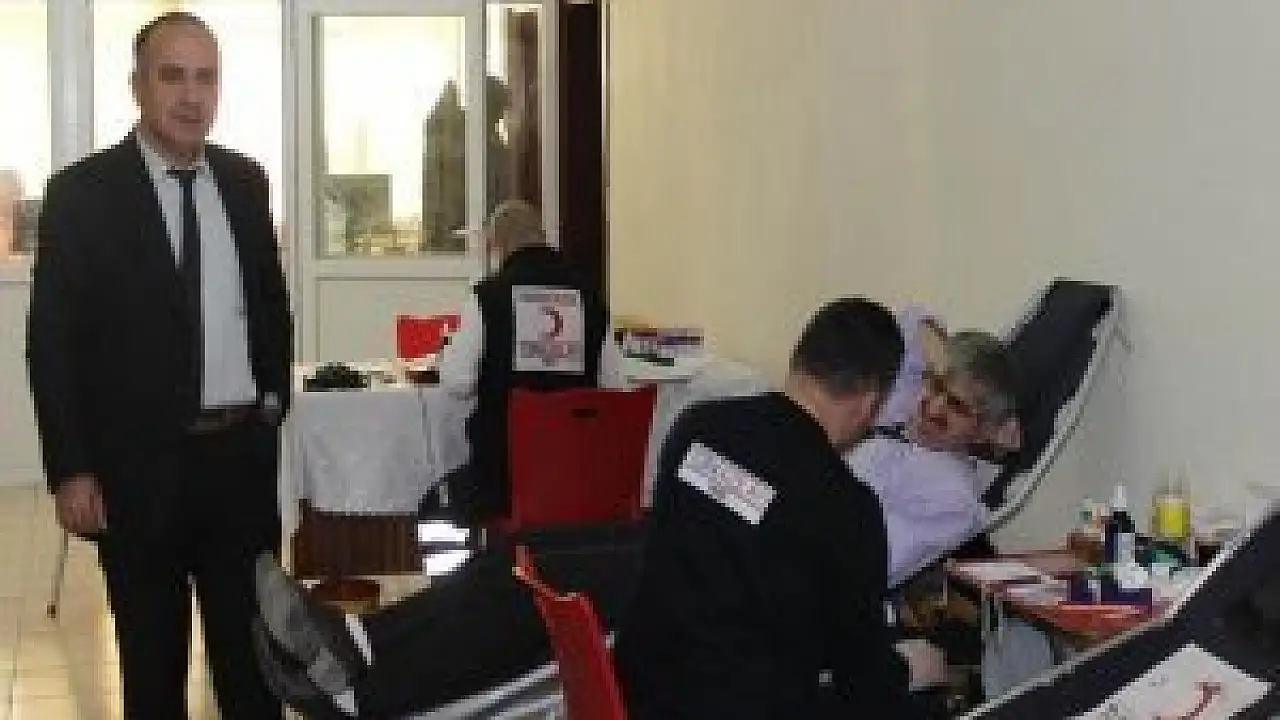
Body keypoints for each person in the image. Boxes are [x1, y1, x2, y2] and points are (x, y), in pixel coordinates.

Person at [25, 11, 291, 718]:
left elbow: (270, 307)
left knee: (255, 674)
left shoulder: (246, 183)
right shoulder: (83, 195)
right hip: (137, 476)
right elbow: (52, 343)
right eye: (173, 76)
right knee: (151, 675)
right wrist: (71, 468)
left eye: (206, 78)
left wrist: (271, 409)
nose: (191, 96)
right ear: (137, 85)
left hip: (237, 469)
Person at [614, 297, 930, 718]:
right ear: (870, 402)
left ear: (799, 360)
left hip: (637, 691)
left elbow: (744, 517)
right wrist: (913, 669)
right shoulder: (847, 507)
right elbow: (863, 679)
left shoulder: (697, 427)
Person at [429, 198, 629, 525]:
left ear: (496, 246)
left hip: (503, 479)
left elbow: (457, 382)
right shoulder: (589, 296)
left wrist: (446, 355)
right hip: (577, 474)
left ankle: (485, 558)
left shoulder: (489, 297)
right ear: (543, 238)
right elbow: (615, 386)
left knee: (435, 499)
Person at [849, 313, 1023, 588]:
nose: (935, 408)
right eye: (937, 385)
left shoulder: (951, 496)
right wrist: (943, 361)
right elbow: (909, 322)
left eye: (958, 406)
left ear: (982, 431)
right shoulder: (902, 411)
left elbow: (867, 562)